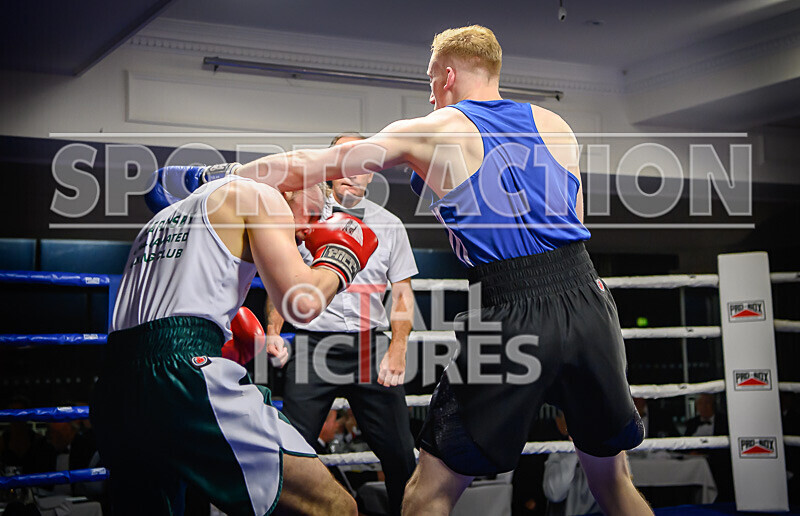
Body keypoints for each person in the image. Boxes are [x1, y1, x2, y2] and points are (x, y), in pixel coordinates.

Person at [153, 24, 652, 516]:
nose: (431, 95)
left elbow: (314, 164)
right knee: (613, 479)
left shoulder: (433, 128)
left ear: (448, 76)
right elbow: (576, 224)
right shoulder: (557, 126)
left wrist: (217, 178)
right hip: (590, 302)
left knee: (426, 493)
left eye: (430, 81)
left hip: (511, 308)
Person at [92, 173, 379, 515]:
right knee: (335, 507)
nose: (308, 233)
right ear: (287, 191)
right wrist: (341, 258)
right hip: (184, 376)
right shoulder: (261, 197)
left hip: (114, 386)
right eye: (313, 216)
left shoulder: (165, 218)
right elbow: (303, 302)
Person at [265, 133, 418, 515]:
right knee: (291, 453)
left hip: (370, 346)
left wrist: (398, 349)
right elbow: (279, 280)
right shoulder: (305, 214)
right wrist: (272, 332)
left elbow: (402, 295)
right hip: (314, 346)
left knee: (401, 455)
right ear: (330, 168)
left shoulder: (390, 226)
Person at [542, 412, 600, 516]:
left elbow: (621, 494)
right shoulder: (558, 451)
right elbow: (554, 494)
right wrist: (574, 450)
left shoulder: (609, 450)